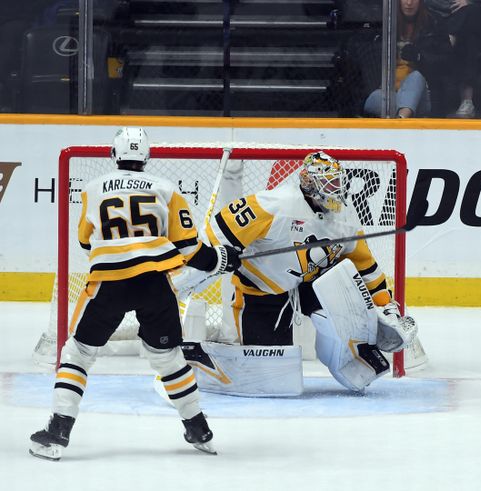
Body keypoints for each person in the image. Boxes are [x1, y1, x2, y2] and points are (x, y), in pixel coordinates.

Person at [29, 127, 240, 460]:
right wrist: (221, 259)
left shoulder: (93, 188)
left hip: (108, 282)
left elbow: (86, 241)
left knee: (79, 353)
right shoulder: (166, 189)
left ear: (113, 155)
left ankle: (57, 433)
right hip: (155, 284)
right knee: (168, 358)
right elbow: (189, 248)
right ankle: (198, 429)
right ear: (147, 157)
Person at [175, 151, 418, 395]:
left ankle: (356, 355)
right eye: (330, 183)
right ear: (310, 183)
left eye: (339, 182)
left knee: (345, 283)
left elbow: (367, 268)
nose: (337, 190)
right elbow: (216, 233)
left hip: (313, 286)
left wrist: (385, 307)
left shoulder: (345, 217)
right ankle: (196, 357)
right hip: (262, 289)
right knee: (271, 378)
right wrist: (199, 269)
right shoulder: (275, 205)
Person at [363, 0, 453, 117]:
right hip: (388, 95)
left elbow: (447, 64)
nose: (409, 3)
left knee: (416, 76)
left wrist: (420, 57)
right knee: (375, 98)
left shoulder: (434, 23)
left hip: (423, 95)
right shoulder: (384, 24)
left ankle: (402, 119)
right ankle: (402, 116)